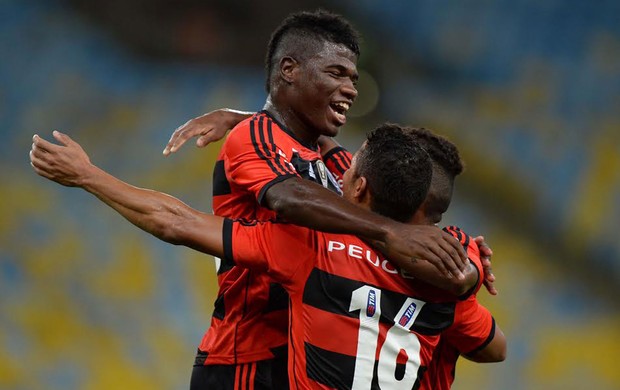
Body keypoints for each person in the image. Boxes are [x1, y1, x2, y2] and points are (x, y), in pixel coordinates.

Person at [29, 124, 495, 389]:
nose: (338, 164)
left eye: (348, 167)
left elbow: (175, 221)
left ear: (359, 188)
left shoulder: (309, 247)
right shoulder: (457, 260)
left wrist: (88, 176)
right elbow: (494, 349)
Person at [158, 9, 468, 389]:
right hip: (248, 357)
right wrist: (389, 232)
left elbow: (366, 187)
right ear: (289, 70)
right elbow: (287, 196)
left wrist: (453, 248)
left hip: (298, 357)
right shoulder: (257, 139)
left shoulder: (331, 161)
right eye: (337, 73)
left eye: (353, 77)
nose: (352, 88)